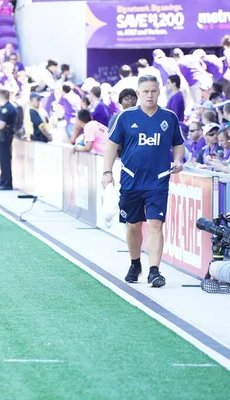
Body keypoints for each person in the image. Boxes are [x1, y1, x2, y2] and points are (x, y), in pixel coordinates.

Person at [102, 75, 185, 288]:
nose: (150, 95)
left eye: (153, 91)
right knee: (133, 226)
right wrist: (107, 171)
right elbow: (111, 146)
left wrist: (177, 160)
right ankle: (135, 263)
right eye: (146, 91)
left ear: (159, 92)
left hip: (158, 180)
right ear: (138, 94)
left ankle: (154, 271)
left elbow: (178, 144)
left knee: (156, 224)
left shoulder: (169, 117)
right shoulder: (125, 117)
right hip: (131, 179)